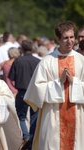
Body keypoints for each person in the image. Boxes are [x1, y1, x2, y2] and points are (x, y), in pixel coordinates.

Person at [24, 21, 84, 150]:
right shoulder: (47, 62)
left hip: (78, 115)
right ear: (58, 39)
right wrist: (58, 83)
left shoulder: (81, 61)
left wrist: (74, 81)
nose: (70, 41)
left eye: (72, 37)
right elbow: (36, 89)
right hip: (53, 116)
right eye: (66, 38)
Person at [8, 39, 40, 149]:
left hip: (22, 91)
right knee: (34, 117)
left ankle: (26, 136)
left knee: (21, 117)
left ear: (22, 49)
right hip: (35, 92)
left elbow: (11, 77)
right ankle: (32, 138)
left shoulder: (18, 61)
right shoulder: (37, 61)